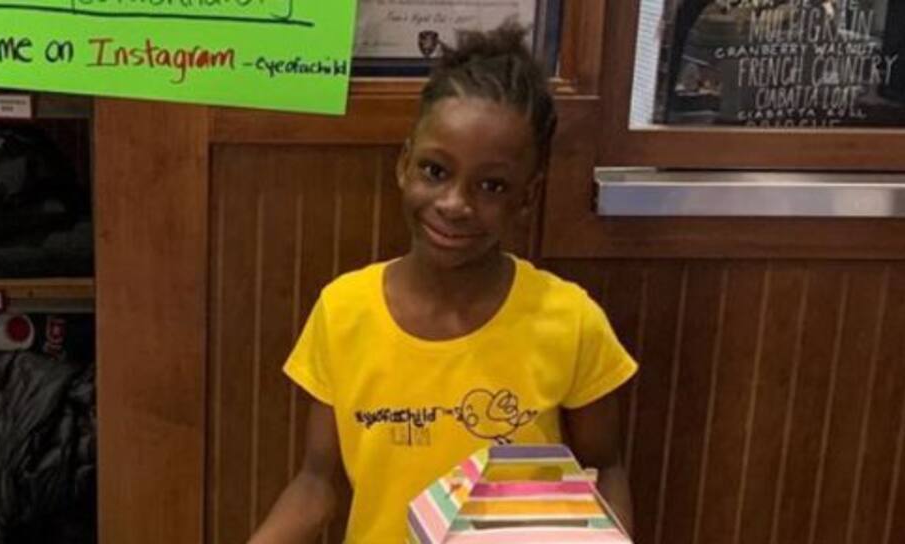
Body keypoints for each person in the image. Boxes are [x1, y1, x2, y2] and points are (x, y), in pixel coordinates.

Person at [249, 20, 638, 544]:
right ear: (404, 164)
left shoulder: (571, 320)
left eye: (492, 185)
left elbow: (605, 466)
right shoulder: (343, 310)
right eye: (435, 171)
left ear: (526, 197)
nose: (455, 204)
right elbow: (316, 483)